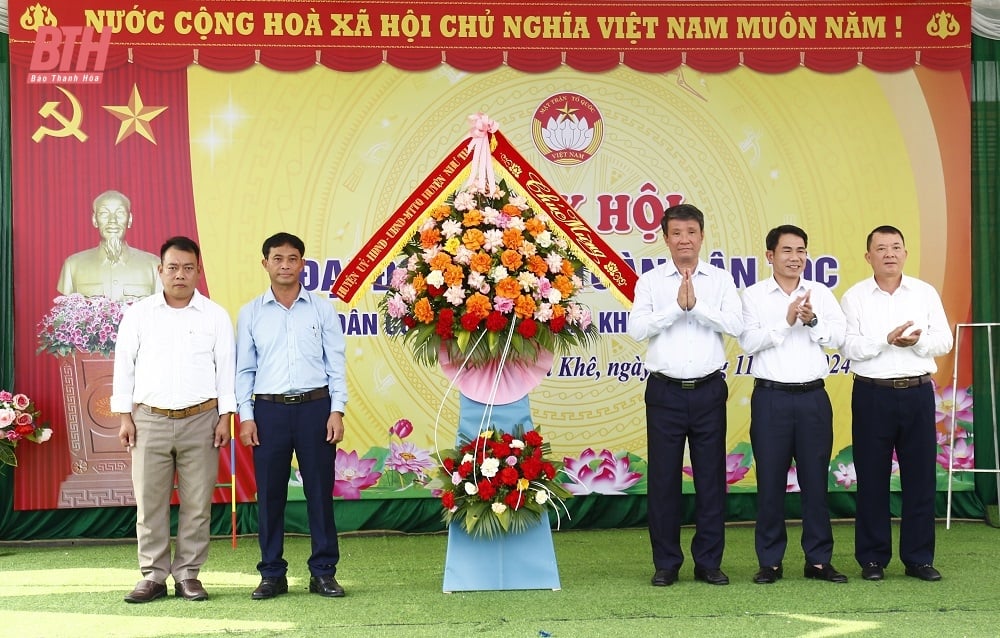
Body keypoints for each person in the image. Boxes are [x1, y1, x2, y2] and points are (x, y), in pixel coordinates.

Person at [111, 236, 236, 603]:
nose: (180, 275)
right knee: (150, 505)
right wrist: (125, 418)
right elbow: (124, 368)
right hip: (148, 420)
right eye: (173, 267)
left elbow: (225, 370)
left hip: (202, 420)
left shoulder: (215, 316)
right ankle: (152, 576)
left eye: (188, 268)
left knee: (197, 504)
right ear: (160, 270)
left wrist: (225, 417)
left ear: (198, 271)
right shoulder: (138, 315)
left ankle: (188, 575)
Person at [627, 203, 743, 587]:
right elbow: (638, 329)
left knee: (711, 479)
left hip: (709, 390)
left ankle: (709, 562)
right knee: (663, 481)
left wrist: (700, 307)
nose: (684, 240)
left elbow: (736, 325)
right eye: (676, 233)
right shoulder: (650, 282)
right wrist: (675, 309)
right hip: (665, 393)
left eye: (691, 232)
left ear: (702, 236)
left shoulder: (720, 280)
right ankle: (666, 563)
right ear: (665, 238)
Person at [236, 232, 348, 599]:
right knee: (269, 496)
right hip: (268, 412)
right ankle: (272, 574)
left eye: (293, 258)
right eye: (278, 258)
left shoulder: (321, 309)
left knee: (319, 493)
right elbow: (244, 371)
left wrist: (337, 410)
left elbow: (336, 364)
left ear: (303, 263)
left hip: (317, 410)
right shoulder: (250, 313)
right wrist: (246, 416)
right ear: (264, 263)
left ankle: (323, 572)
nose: (285, 265)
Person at [840, 225, 953, 582]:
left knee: (920, 478)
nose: (889, 253)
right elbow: (848, 347)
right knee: (871, 478)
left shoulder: (924, 293)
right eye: (881, 248)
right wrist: (884, 340)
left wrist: (917, 343)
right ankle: (872, 560)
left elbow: (944, 341)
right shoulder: (855, 297)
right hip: (872, 394)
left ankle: (918, 558)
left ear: (905, 253)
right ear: (868, 256)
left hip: (918, 392)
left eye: (896, 247)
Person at [739, 225, 847, 584]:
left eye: (801, 250)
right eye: (787, 251)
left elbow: (837, 338)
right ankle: (770, 562)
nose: (795, 258)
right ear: (770, 256)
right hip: (771, 398)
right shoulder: (753, 296)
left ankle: (818, 560)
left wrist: (812, 320)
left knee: (816, 482)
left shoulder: (821, 293)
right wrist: (785, 323)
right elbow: (748, 342)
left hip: (814, 398)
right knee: (770, 482)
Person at [57, 190, 161, 300]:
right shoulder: (73, 265)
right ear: (94, 220)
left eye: (120, 213)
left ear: (129, 220)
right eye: (104, 213)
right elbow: (67, 312)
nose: (113, 220)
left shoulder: (154, 265)